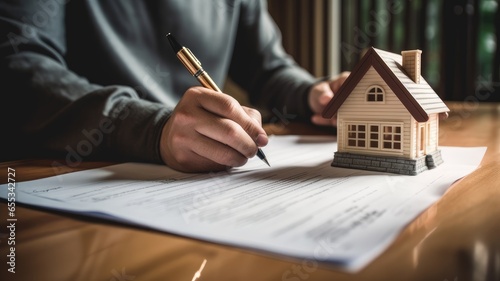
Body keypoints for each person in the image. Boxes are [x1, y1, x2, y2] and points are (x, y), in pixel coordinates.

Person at [0, 0, 348, 172]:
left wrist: (312, 94)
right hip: (65, 173)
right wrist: (153, 129)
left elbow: (266, 67)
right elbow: (18, 66)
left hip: (192, 180)